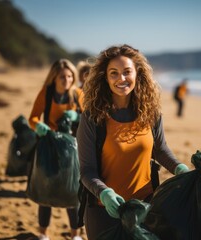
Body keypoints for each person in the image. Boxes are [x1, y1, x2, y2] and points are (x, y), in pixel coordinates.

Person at [76, 44, 189, 240]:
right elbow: (86, 170)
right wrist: (104, 193)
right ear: (105, 77)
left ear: (137, 73)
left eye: (127, 72)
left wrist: (180, 169)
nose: (121, 79)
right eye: (114, 73)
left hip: (145, 208)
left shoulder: (151, 113)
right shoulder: (93, 117)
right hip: (104, 210)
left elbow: (160, 150)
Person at [28, 59, 83, 240]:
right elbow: (33, 118)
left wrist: (77, 116)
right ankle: (43, 234)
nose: (66, 80)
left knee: (72, 191)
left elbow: (90, 119)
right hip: (49, 147)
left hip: (71, 149)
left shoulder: (77, 94)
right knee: (47, 188)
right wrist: (39, 127)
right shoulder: (46, 93)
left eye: (70, 76)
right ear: (54, 77)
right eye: (62, 77)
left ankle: (75, 235)